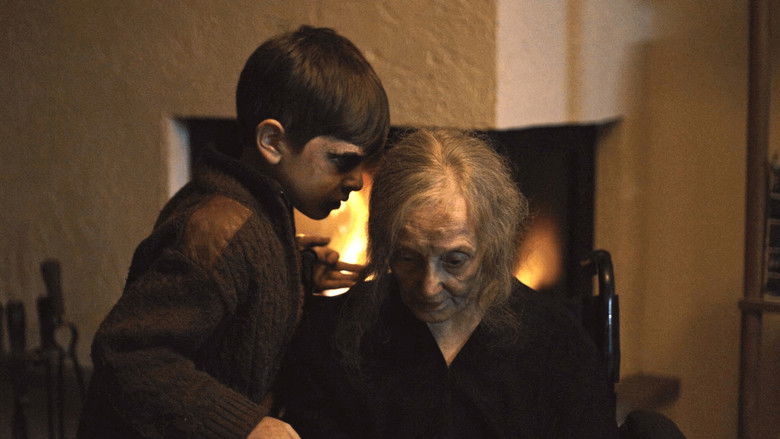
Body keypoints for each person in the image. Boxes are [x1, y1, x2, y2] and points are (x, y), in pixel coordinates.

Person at [78, 26, 389, 438]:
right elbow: (129, 353)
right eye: (342, 161)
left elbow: (236, 310)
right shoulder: (220, 228)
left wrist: (300, 272)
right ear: (272, 141)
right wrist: (245, 425)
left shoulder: (261, 208)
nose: (356, 181)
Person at [279, 128, 619, 438]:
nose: (429, 286)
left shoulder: (556, 343)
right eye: (408, 258)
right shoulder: (336, 336)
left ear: (492, 244)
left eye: (455, 261)